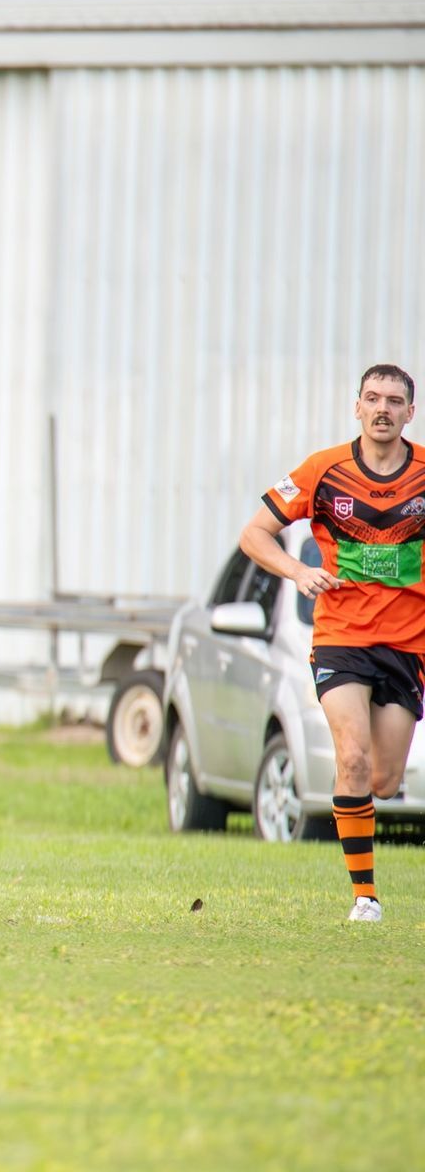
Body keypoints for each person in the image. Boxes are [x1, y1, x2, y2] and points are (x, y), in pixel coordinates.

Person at [241, 363, 425, 924]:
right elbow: (254, 534)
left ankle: (357, 810)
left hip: (407, 644)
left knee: (383, 780)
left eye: (393, 400)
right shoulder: (323, 470)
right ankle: (365, 896)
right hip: (341, 637)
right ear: (357, 407)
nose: (382, 408)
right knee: (352, 757)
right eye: (372, 398)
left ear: (410, 412)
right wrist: (297, 571)